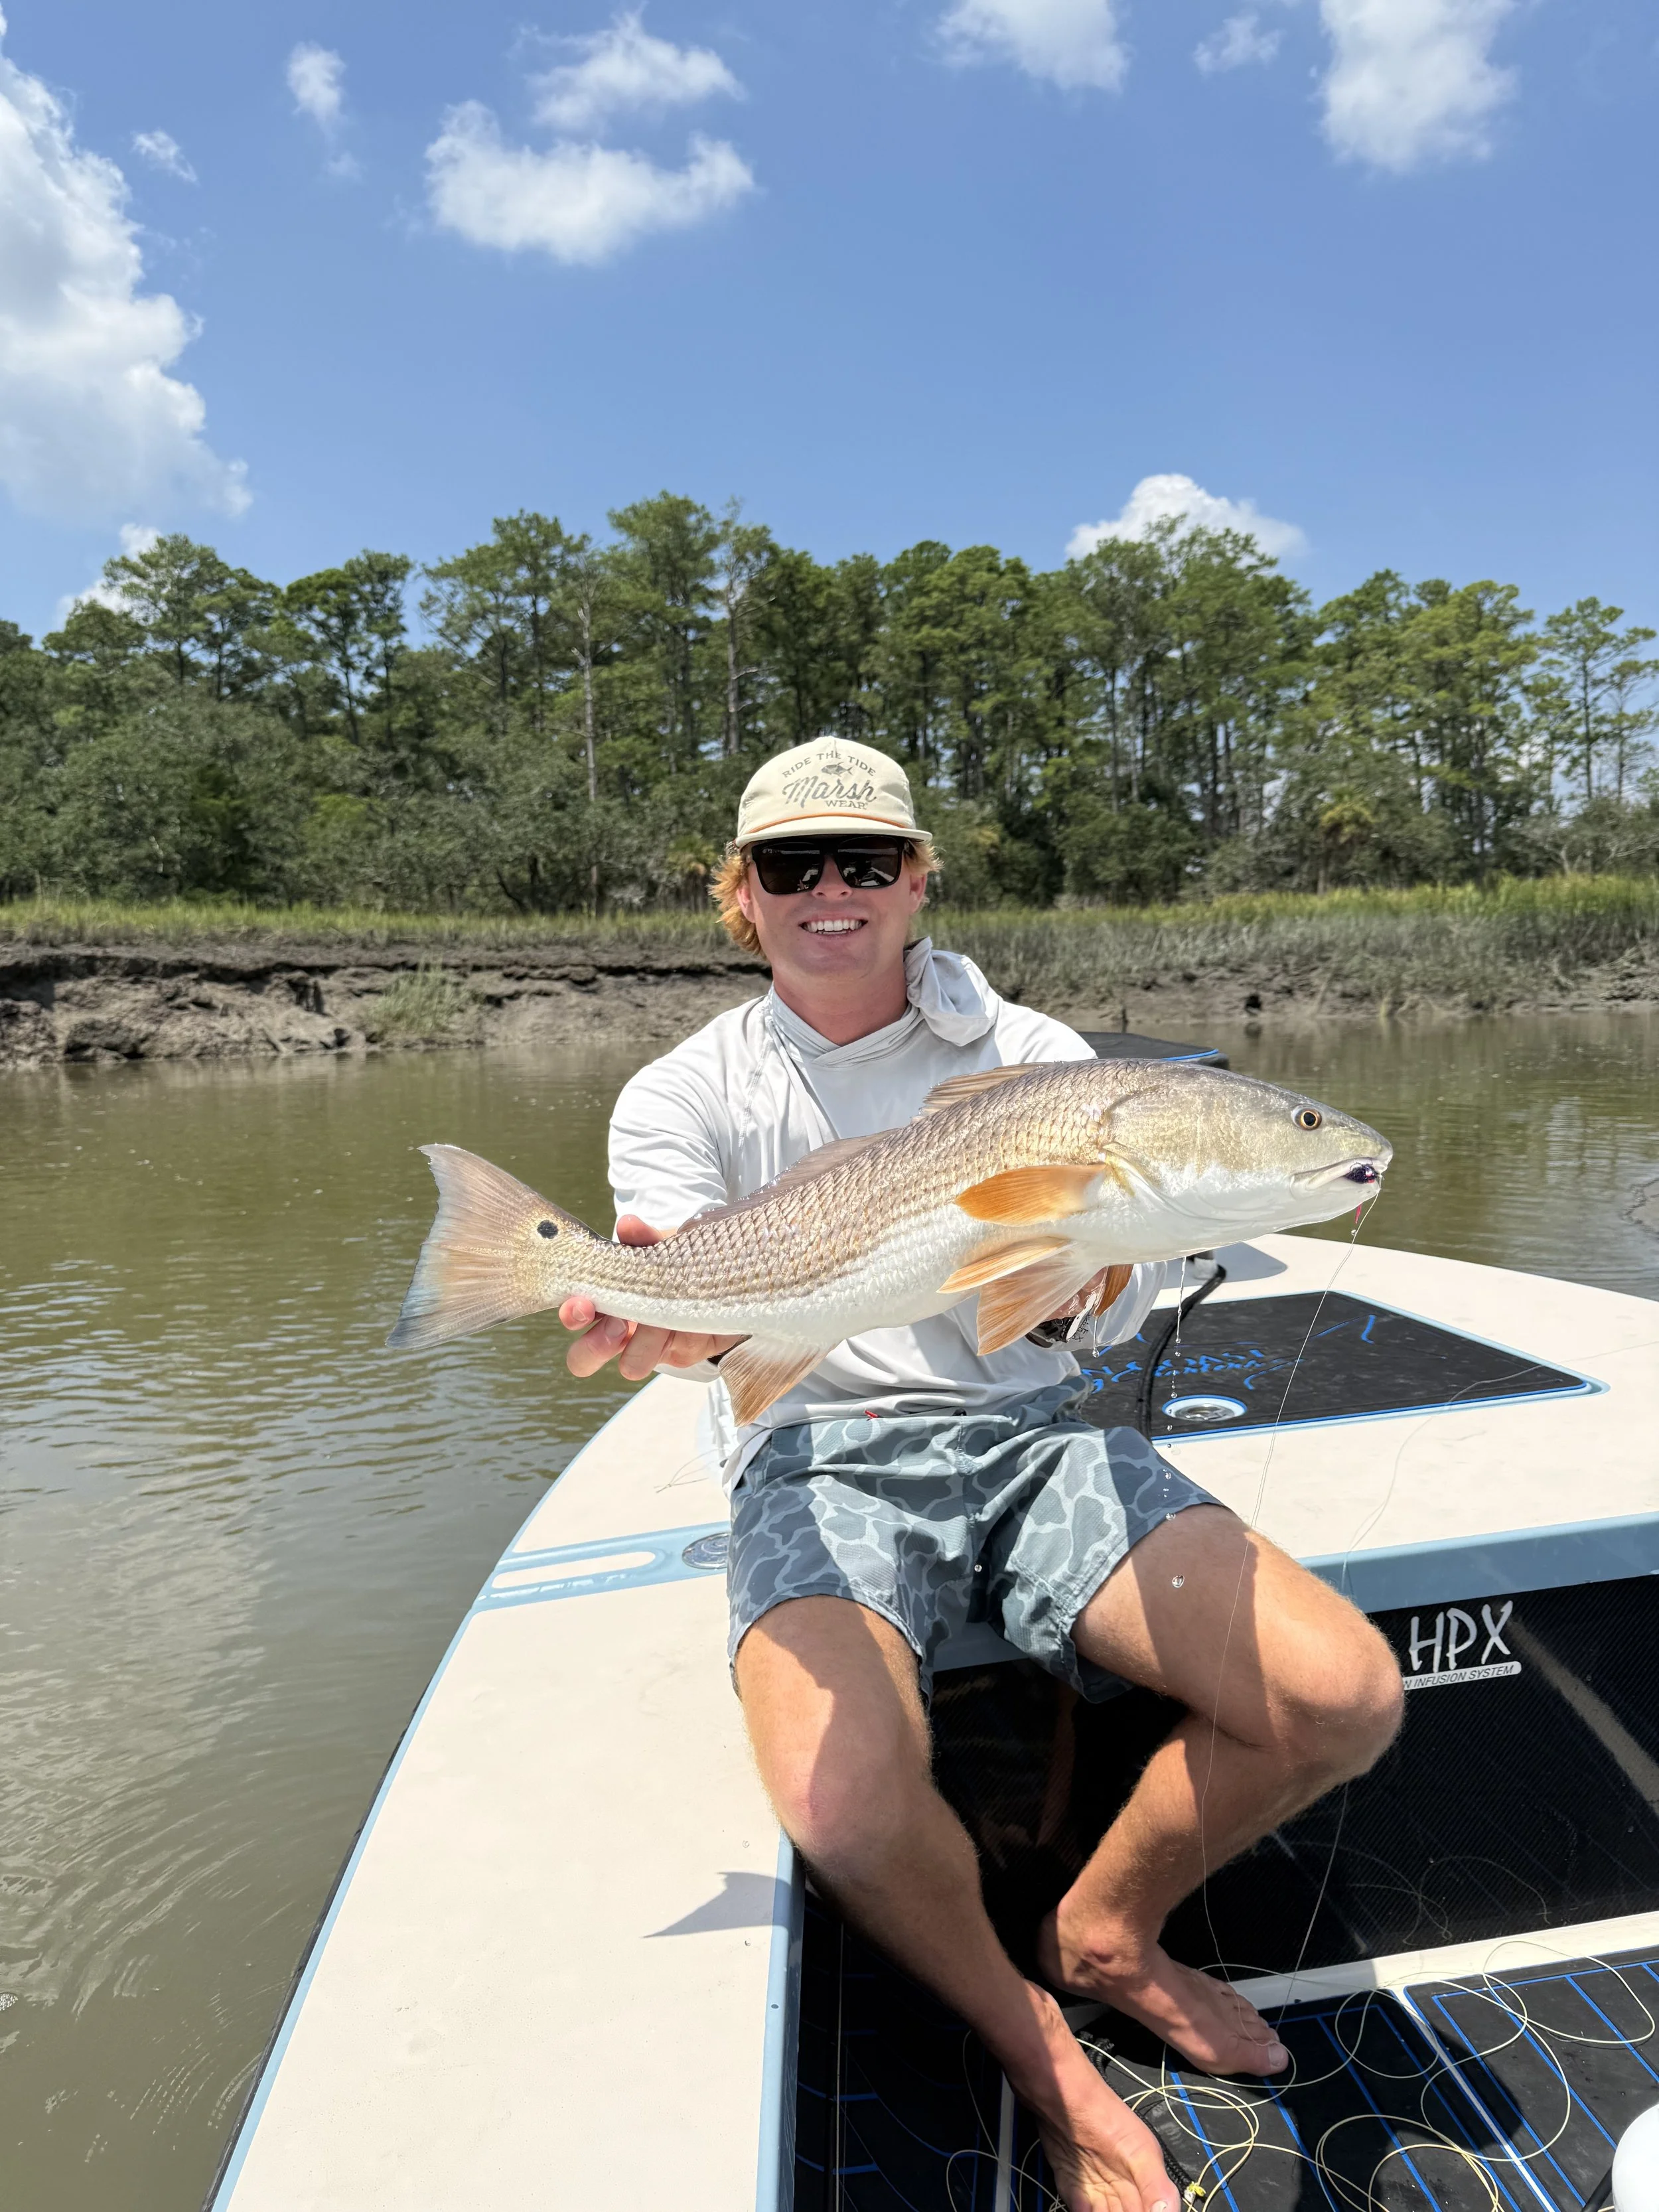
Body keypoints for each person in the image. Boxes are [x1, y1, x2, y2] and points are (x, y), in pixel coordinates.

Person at [560, 737, 1403, 2212]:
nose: (832, 890)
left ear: (917, 878)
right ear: (738, 897)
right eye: (790, 864)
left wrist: (1086, 1272)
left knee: (1340, 1694)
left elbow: (1082, 1302)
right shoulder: (678, 1094)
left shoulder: (1034, 1057)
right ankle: (1040, 2053)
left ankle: (1105, 1932)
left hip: (1030, 1437)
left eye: (868, 860)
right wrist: (657, 1319)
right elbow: (689, 1302)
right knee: (844, 1805)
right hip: (811, 1450)